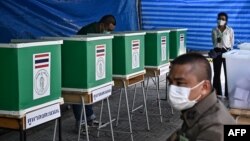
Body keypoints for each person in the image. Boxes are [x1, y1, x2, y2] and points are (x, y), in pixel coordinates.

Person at [166, 53, 235, 141]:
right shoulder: (198, 112)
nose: (172, 88)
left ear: (204, 87)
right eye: (170, 82)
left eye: (180, 83)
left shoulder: (214, 127)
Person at [72, 14, 116, 132]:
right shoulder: (90, 31)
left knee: (91, 90)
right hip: (77, 63)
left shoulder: (98, 30)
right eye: (107, 29)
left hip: (88, 64)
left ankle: (89, 118)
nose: (108, 32)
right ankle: (79, 122)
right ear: (103, 24)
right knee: (79, 92)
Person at [211, 12, 234, 98]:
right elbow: (213, 41)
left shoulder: (230, 30)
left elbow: (232, 43)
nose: (221, 20)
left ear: (226, 21)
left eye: (223, 19)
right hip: (217, 52)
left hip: (227, 52)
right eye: (220, 18)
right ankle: (217, 94)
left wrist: (227, 50)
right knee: (216, 74)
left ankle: (228, 94)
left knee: (227, 73)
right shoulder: (214, 30)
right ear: (217, 19)